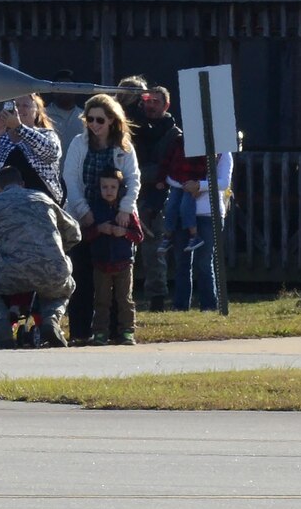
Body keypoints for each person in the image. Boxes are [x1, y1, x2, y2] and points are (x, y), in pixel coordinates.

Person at [0, 166, 80, 345]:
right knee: (66, 285)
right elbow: (75, 234)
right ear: (22, 184)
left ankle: (1, 324)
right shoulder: (44, 199)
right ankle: (51, 320)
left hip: (11, 271)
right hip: (53, 270)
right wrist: (57, 250)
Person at [62, 94, 139, 342]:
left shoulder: (123, 147)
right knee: (83, 276)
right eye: (90, 119)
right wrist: (83, 211)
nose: (94, 125)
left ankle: (120, 331)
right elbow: (70, 179)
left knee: (118, 278)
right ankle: (82, 332)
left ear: (112, 121)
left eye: (100, 120)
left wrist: (125, 208)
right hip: (86, 215)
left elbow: (133, 179)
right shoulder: (78, 143)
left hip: (117, 215)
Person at [160, 138, 232, 311]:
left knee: (204, 262)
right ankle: (180, 305)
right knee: (182, 262)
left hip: (209, 213)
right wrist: (186, 185)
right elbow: (173, 173)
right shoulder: (184, 146)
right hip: (183, 214)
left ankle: (208, 305)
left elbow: (224, 182)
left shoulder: (223, 152)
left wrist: (199, 185)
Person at [128, 85, 180, 310]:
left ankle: (157, 298)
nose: (150, 106)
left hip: (160, 196)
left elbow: (168, 169)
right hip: (132, 192)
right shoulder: (133, 129)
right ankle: (124, 298)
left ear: (166, 105)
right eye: (147, 101)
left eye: (156, 102)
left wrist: (143, 172)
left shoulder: (174, 134)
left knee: (154, 248)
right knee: (126, 247)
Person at [0, 93, 64, 204]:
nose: (20, 109)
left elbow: (51, 154)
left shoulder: (47, 134)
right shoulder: (1, 137)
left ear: (36, 111)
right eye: (17, 105)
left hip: (37, 202)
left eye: (25, 106)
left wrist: (20, 128)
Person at [86, 168, 144, 344]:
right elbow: (85, 235)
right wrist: (98, 229)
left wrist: (124, 232)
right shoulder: (94, 209)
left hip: (124, 263)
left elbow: (139, 236)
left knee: (125, 299)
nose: (109, 191)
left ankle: (127, 331)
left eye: (113, 187)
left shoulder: (126, 211)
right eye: (105, 187)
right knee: (101, 300)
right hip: (101, 263)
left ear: (120, 189)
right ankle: (100, 332)